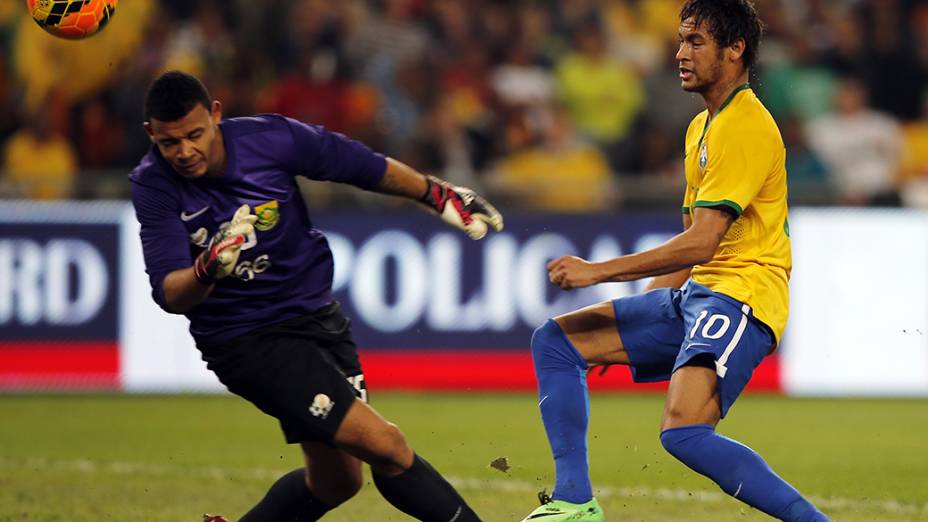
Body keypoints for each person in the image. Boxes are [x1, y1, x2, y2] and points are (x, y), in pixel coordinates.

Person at [129, 70, 502, 522]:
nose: (185, 152)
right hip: (248, 341)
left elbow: (360, 165)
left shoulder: (271, 139)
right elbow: (171, 293)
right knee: (387, 446)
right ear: (152, 135)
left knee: (337, 482)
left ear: (216, 115)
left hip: (319, 319)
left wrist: (434, 193)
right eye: (170, 143)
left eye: (195, 135)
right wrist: (208, 268)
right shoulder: (153, 184)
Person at [520, 2, 829, 521]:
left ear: (736, 50)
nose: (681, 53)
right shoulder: (701, 128)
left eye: (696, 42)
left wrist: (597, 273)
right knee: (558, 341)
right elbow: (689, 244)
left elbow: (701, 243)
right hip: (696, 295)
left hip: (743, 296)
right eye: (682, 40)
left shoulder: (746, 126)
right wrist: (635, 321)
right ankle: (574, 501)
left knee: (683, 432)